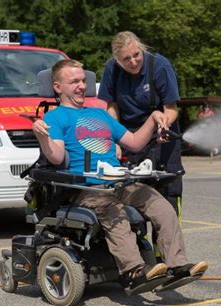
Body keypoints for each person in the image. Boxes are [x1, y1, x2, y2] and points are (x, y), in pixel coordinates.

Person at [32, 59, 208, 293]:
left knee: (161, 205)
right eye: (74, 81)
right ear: (57, 87)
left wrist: (154, 117)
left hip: (118, 182)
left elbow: (134, 143)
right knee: (114, 213)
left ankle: (177, 266)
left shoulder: (100, 115)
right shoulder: (55, 118)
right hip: (87, 188)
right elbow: (56, 157)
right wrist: (42, 137)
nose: (82, 86)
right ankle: (133, 272)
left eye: (83, 80)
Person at [97, 31, 184, 220]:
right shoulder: (111, 69)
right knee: (132, 195)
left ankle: (166, 248)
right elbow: (112, 108)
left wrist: (163, 124)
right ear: (117, 60)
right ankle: (139, 247)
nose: (134, 62)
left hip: (162, 136)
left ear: (141, 49)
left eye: (136, 55)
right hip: (130, 137)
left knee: (168, 194)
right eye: (126, 59)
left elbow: (171, 108)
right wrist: (115, 140)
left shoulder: (160, 66)